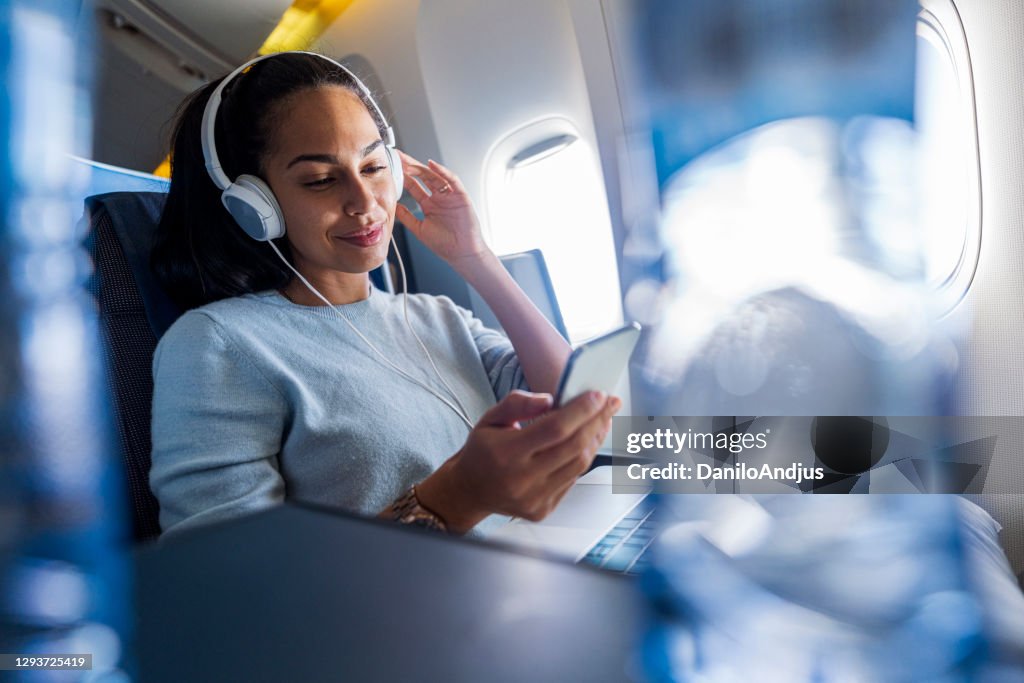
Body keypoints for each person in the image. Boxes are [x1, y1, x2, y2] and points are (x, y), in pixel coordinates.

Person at [149, 51, 620, 537]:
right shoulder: (219, 343)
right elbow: (224, 578)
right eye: (321, 180)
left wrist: (475, 257)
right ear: (255, 204)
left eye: (374, 166)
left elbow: (570, 405)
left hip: (521, 577)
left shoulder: (436, 317)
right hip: (395, 611)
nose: (365, 201)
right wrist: (457, 497)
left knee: (696, 467)